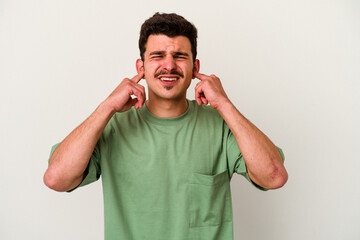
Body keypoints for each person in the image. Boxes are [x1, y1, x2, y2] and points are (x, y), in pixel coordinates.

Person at [44, 12, 288, 240]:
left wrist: (225, 104)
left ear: (195, 68)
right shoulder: (112, 127)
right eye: (157, 56)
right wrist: (106, 107)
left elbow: (274, 176)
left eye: (180, 56)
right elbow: (56, 178)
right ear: (141, 68)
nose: (169, 65)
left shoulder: (222, 125)